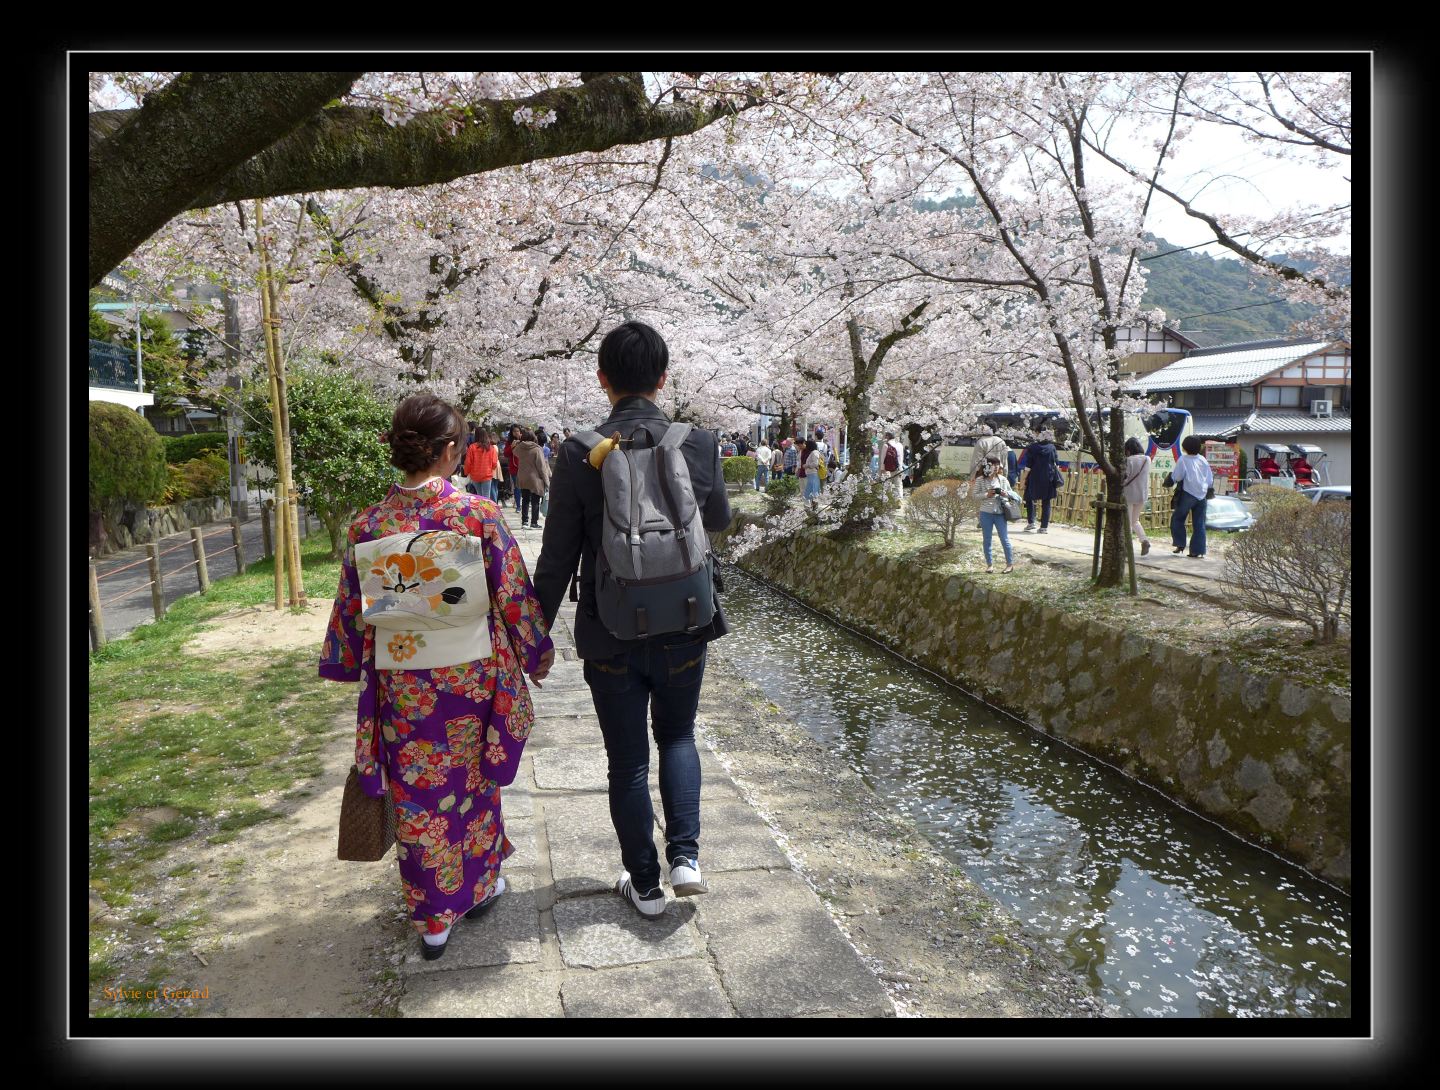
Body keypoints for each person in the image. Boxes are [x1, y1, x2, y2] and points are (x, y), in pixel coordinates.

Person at [319, 393, 554, 961]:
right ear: (451, 451)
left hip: (404, 682)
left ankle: (432, 919)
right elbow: (512, 595)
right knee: (474, 784)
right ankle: (477, 886)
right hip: (470, 679)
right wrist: (534, 651)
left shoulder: (368, 525)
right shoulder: (475, 516)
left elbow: (353, 610)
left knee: (419, 794)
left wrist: (346, 658)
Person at [532, 321, 731, 920]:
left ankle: (643, 885)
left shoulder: (578, 450)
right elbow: (716, 518)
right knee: (678, 735)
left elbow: (558, 556)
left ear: (603, 379)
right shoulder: (699, 441)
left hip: (609, 630)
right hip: (686, 620)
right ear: (664, 377)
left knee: (627, 760)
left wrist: (529, 636)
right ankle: (686, 859)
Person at [1169, 434, 1214, 559]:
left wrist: (1170, 479)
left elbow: (1177, 477)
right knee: (1199, 523)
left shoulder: (1183, 460)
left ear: (1185, 447)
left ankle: (1180, 544)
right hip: (1202, 494)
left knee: (1177, 518)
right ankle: (1197, 551)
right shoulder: (1203, 460)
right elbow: (1210, 479)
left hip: (1188, 493)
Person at [972, 456, 1019, 573]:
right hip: (985, 513)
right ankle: (989, 565)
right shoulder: (980, 480)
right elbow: (974, 496)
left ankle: (1010, 564)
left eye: (998, 464)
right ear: (987, 466)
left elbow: (1012, 494)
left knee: (1004, 538)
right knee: (987, 539)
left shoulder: (1003, 479)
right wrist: (986, 495)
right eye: (993, 464)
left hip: (1000, 513)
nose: (996, 467)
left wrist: (1005, 494)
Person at [1018, 430, 1060, 533]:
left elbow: (1028, 466)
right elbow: (1056, 464)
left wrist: (1023, 480)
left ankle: (1031, 522)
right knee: (1046, 502)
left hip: (1034, 478)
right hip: (1048, 478)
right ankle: (1044, 527)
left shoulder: (1032, 447)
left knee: (1029, 498)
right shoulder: (1052, 447)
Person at [1121, 436, 1153, 557]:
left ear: (1128, 449)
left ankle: (1126, 547)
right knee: (1135, 520)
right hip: (1142, 494)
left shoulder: (1129, 460)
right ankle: (1144, 540)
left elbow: (1126, 476)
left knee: (1128, 522)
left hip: (1129, 493)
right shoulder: (1147, 459)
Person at [513, 427, 550, 530]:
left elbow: (514, 452)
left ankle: (524, 522)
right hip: (535, 479)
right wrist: (547, 482)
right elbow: (541, 467)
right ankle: (534, 522)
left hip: (523, 477)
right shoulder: (537, 449)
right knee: (535, 501)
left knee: (525, 499)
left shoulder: (520, 447)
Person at [464, 427, 500, 501]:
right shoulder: (490, 448)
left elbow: (468, 462)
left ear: (476, 435)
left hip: (475, 475)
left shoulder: (472, 447)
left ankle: (481, 512)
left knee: (479, 496)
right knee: (486, 497)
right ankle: (486, 512)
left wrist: (467, 472)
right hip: (487, 474)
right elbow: (494, 463)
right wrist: (490, 469)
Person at [503, 425, 524, 513]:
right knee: (517, 487)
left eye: (518, 431)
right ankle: (518, 506)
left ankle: (523, 503)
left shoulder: (524, 440)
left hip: (524, 466)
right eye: (514, 431)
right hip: (514, 467)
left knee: (524, 487)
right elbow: (506, 454)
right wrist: (511, 446)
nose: (516, 433)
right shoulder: (509, 442)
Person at [882, 431, 904, 507]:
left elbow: (883, 459)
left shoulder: (886, 445)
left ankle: (888, 501)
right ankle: (898, 500)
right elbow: (901, 458)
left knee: (887, 485)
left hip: (887, 469)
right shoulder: (900, 445)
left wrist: (882, 470)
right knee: (898, 485)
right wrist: (901, 468)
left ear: (887, 436)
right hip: (898, 468)